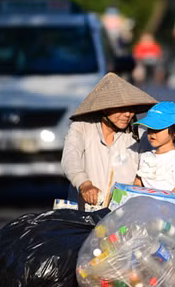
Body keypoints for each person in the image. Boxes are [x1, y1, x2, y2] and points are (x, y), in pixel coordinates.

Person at [61, 73, 157, 210]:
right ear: (104, 108)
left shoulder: (140, 137)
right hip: (84, 215)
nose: (128, 114)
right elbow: (70, 159)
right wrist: (84, 184)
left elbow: (157, 166)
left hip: (123, 218)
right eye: (122, 108)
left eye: (131, 109)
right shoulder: (81, 127)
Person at [133, 102, 175, 193]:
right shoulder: (145, 157)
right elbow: (138, 182)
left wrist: (166, 200)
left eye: (158, 129)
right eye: (150, 129)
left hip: (171, 203)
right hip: (146, 203)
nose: (152, 133)